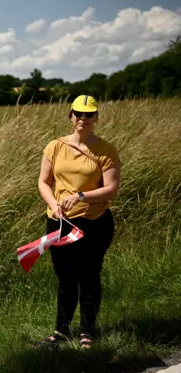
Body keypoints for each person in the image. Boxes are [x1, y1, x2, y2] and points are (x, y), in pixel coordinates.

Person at [37, 95, 121, 349]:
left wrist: (81, 196)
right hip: (60, 222)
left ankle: (87, 331)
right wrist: (53, 205)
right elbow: (43, 181)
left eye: (89, 114)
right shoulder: (55, 146)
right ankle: (61, 330)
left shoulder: (106, 150)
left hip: (93, 223)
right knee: (64, 277)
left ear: (96, 118)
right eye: (78, 113)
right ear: (71, 116)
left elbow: (112, 189)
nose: (83, 119)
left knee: (89, 276)